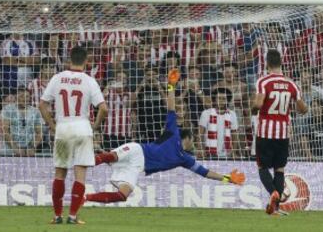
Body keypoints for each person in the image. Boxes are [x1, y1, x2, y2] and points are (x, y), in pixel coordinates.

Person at [84, 69, 246, 204]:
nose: (194, 144)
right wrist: (170, 87)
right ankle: (81, 163)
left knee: (123, 195)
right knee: (110, 156)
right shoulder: (173, 132)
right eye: (193, 140)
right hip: (137, 150)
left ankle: (85, 198)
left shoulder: (185, 158)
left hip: (138, 167)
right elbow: (171, 108)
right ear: (187, 138)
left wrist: (227, 178)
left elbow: (206, 172)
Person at [39, 46, 108, 224]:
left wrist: (53, 125)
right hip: (82, 128)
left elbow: (42, 105)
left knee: (60, 173)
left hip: (63, 128)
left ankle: (57, 216)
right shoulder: (89, 80)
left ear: (69, 59)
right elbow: (103, 108)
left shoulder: (57, 78)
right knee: (80, 175)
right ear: (86, 61)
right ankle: (72, 216)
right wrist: (95, 126)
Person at [251, 49, 308, 215]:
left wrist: (253, 109)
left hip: (265, 132)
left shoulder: (263, 81)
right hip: (283, 134)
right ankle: (275, 208)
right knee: (279, 169)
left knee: (262, 167)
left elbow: (259, 104)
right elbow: (302, 109)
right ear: (281, 63)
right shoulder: (291, 84)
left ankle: (273, 193)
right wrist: (301, 108)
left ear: (267, 63)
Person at [1, 88, 43, 157]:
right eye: (21, 96)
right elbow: (5, 131)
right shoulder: (7, 110)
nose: (25, 99)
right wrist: (15, 147)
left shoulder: (35, 112)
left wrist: (32, 147)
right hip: (9, 150)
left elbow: (39, 133)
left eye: (27, 96)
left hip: (28, 151)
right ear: (16, 97)